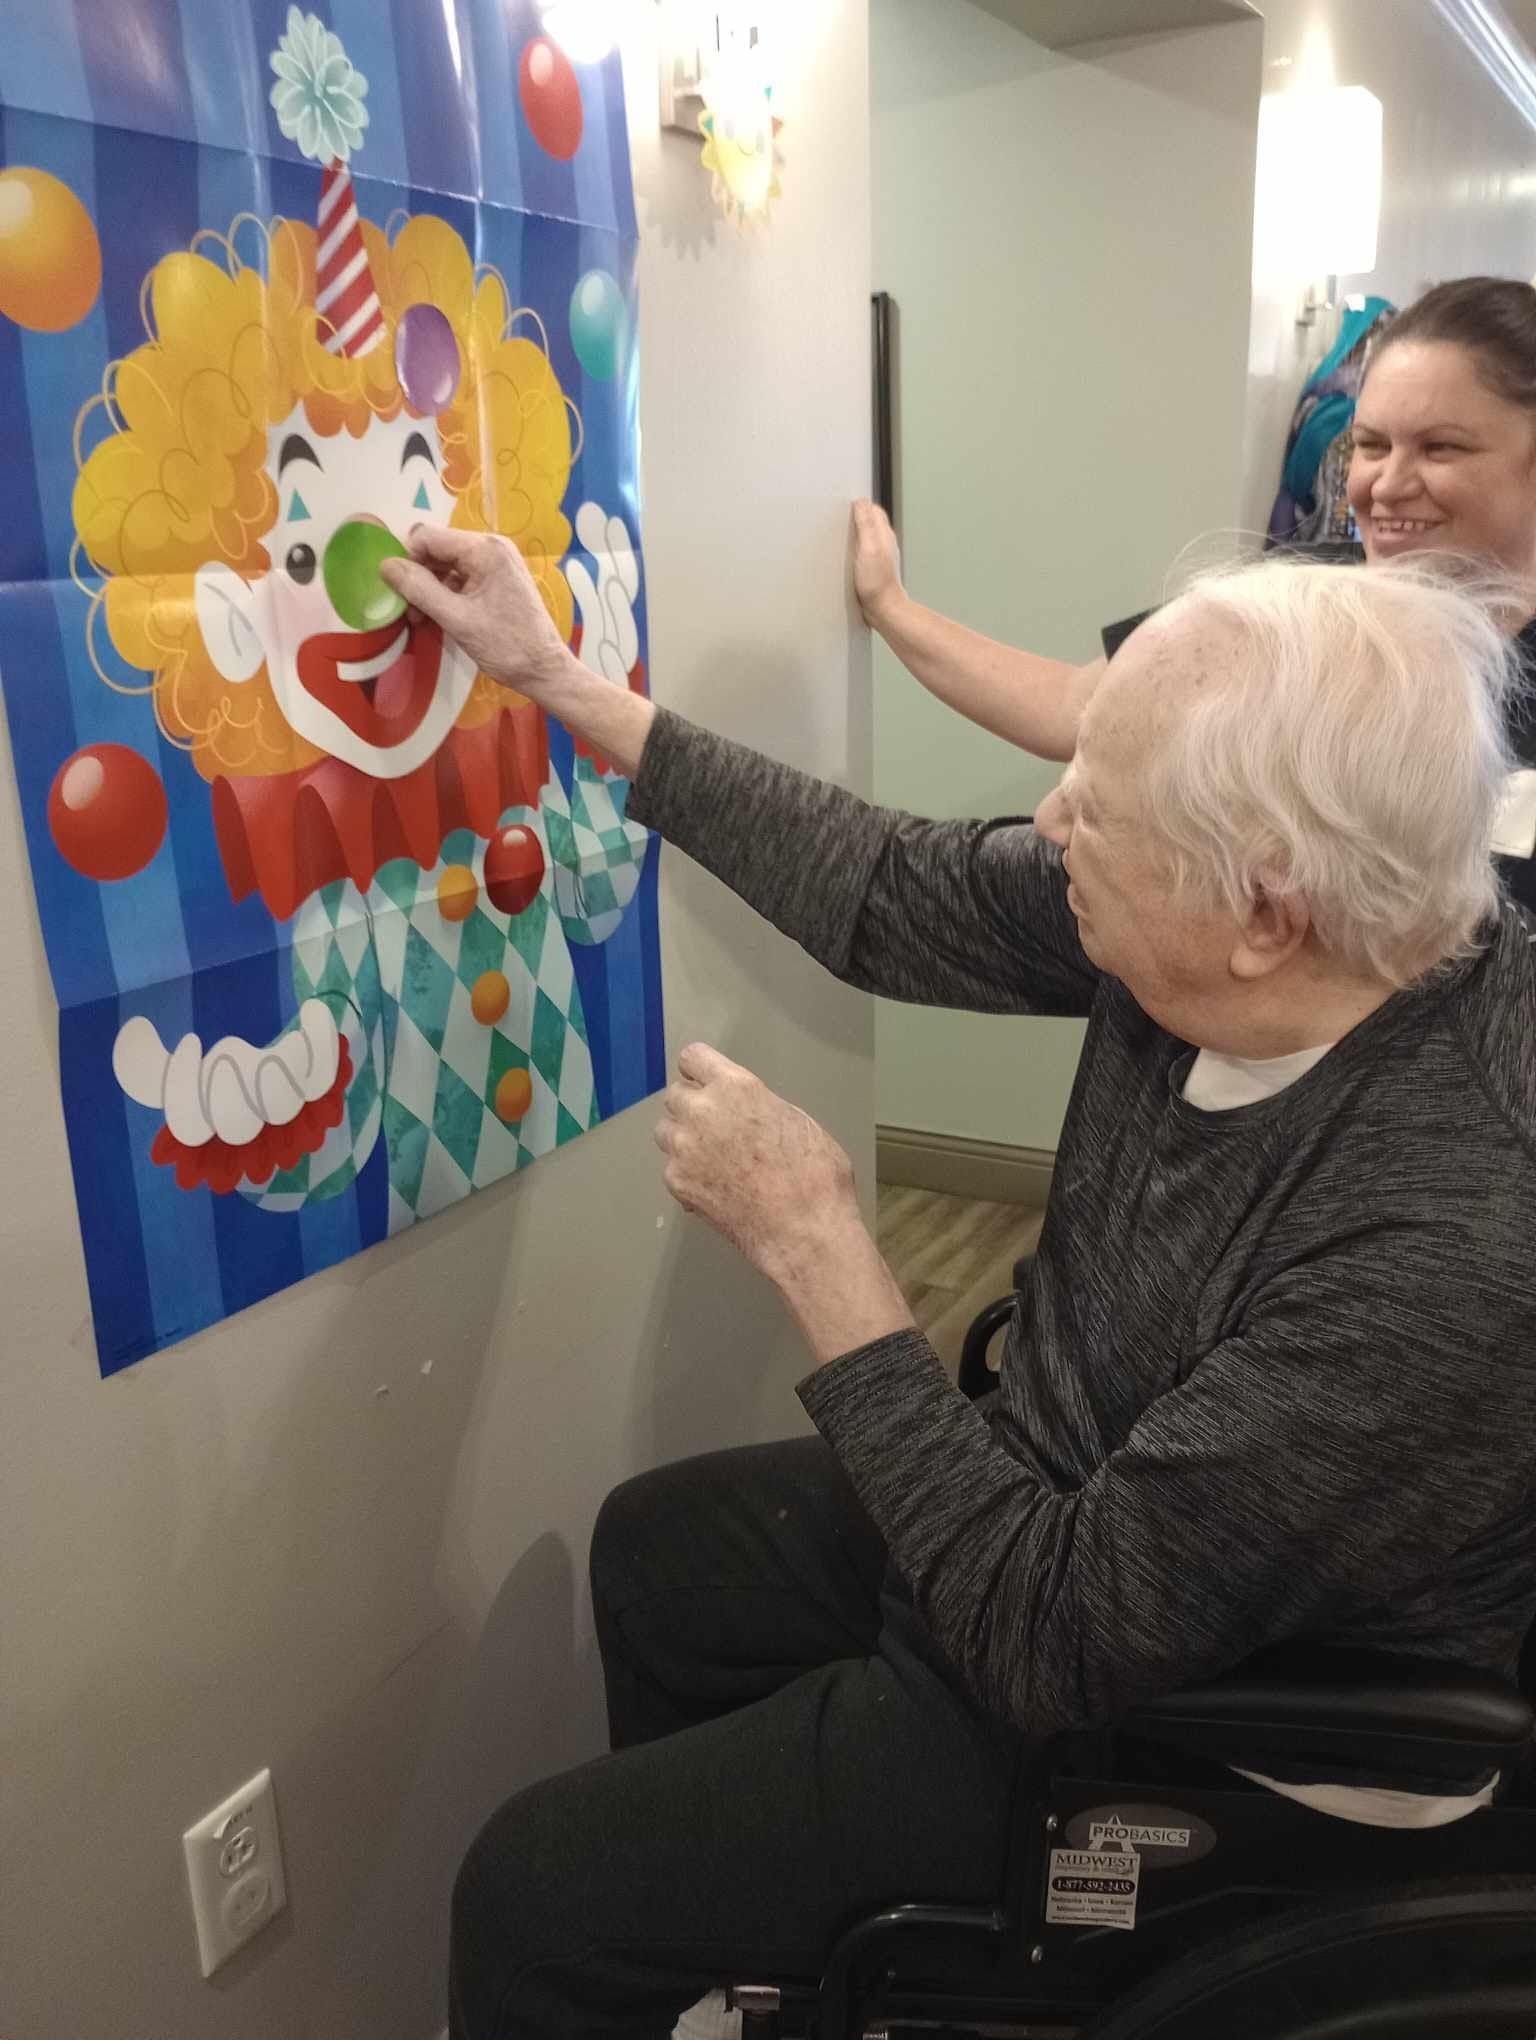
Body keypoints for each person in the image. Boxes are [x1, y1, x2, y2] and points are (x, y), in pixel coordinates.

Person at [379, 531, 1536, 2040]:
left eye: (1097, 814)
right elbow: (888, 883)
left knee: (531, 1896)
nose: (1051, 819)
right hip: (1062, 1506)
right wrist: (555, 680)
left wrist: (817, 1247)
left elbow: (1051, 1641)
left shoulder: (1449, 1234)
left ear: (1267, 912)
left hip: (1182, 1707)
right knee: (657, 1552)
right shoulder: (1265, 922)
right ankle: (753, 1975)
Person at [853, 276, 1536, 912]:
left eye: (1442, 448)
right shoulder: (1299, 599)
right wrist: (892, 609)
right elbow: (1073, 707)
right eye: (1370, 444)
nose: (1385, 484)